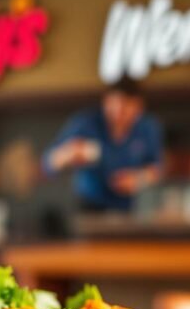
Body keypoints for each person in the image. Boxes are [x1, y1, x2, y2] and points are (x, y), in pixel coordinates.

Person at [44, 79, 163, 211]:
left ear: (139, 106)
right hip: (90, 204)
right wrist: (68, 154)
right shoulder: (86, 123)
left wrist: (139, 179)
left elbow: (158, 169)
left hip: (133, 207)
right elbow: (48, 162)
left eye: (125, 105)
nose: (118, 111)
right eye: (113, 103)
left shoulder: (147, 128)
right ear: (105, 102)